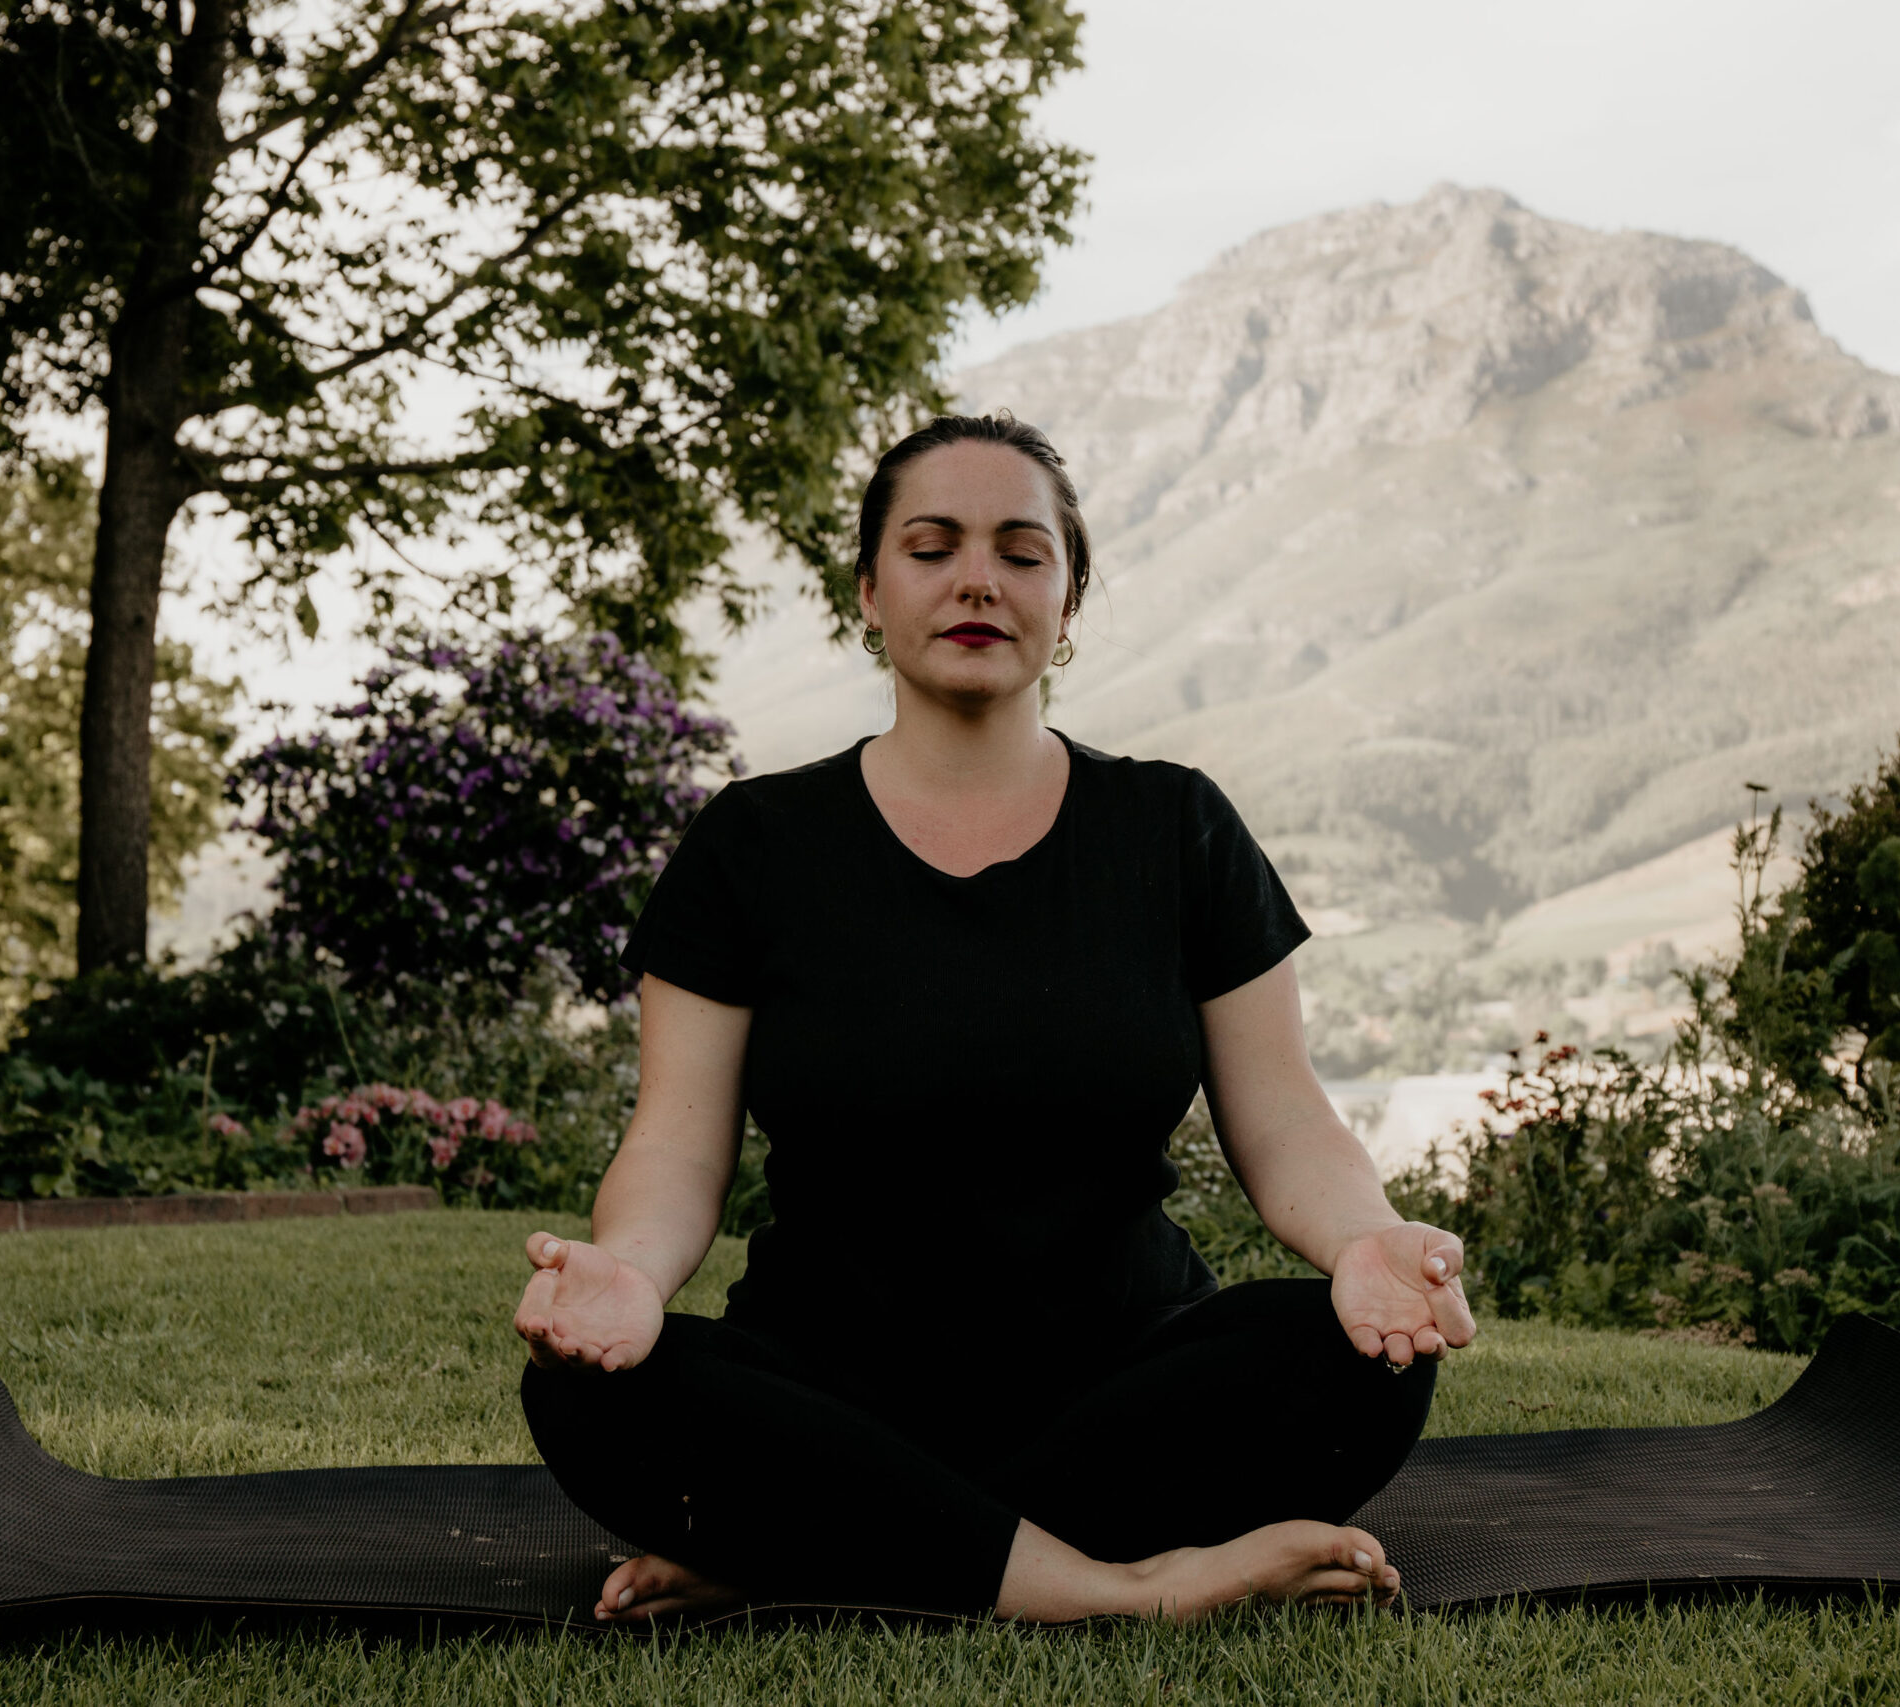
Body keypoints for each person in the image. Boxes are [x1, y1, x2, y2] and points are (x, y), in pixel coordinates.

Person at [516, 411, 1475, 1626]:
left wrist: (1365, 1243)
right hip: (826, 1381)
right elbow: (674, 1149)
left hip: (1119, 1386)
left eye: (1022, 553)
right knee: (586, 1389)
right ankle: (1123, 1587)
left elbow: (1286, 1123)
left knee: (1357, 1363)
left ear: (1066, 602)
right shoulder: (751, 844)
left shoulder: (1175, 827)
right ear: (870, 592)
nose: (978, 580)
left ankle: (819, 1551)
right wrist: (630, 1275)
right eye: (933, 548)